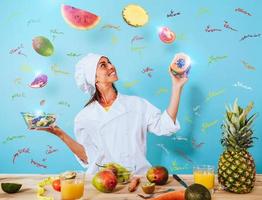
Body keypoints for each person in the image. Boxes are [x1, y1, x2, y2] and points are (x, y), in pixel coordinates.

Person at [37, 53, 188, 174]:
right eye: (103, 65)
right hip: (104, 183)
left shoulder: (137, 104)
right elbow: (89, 157)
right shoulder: (84, 117)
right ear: (93, 78)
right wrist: (60, 134)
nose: (111, 66)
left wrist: (177, 86)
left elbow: (165, 126)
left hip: (139, 179)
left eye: (109, 62)